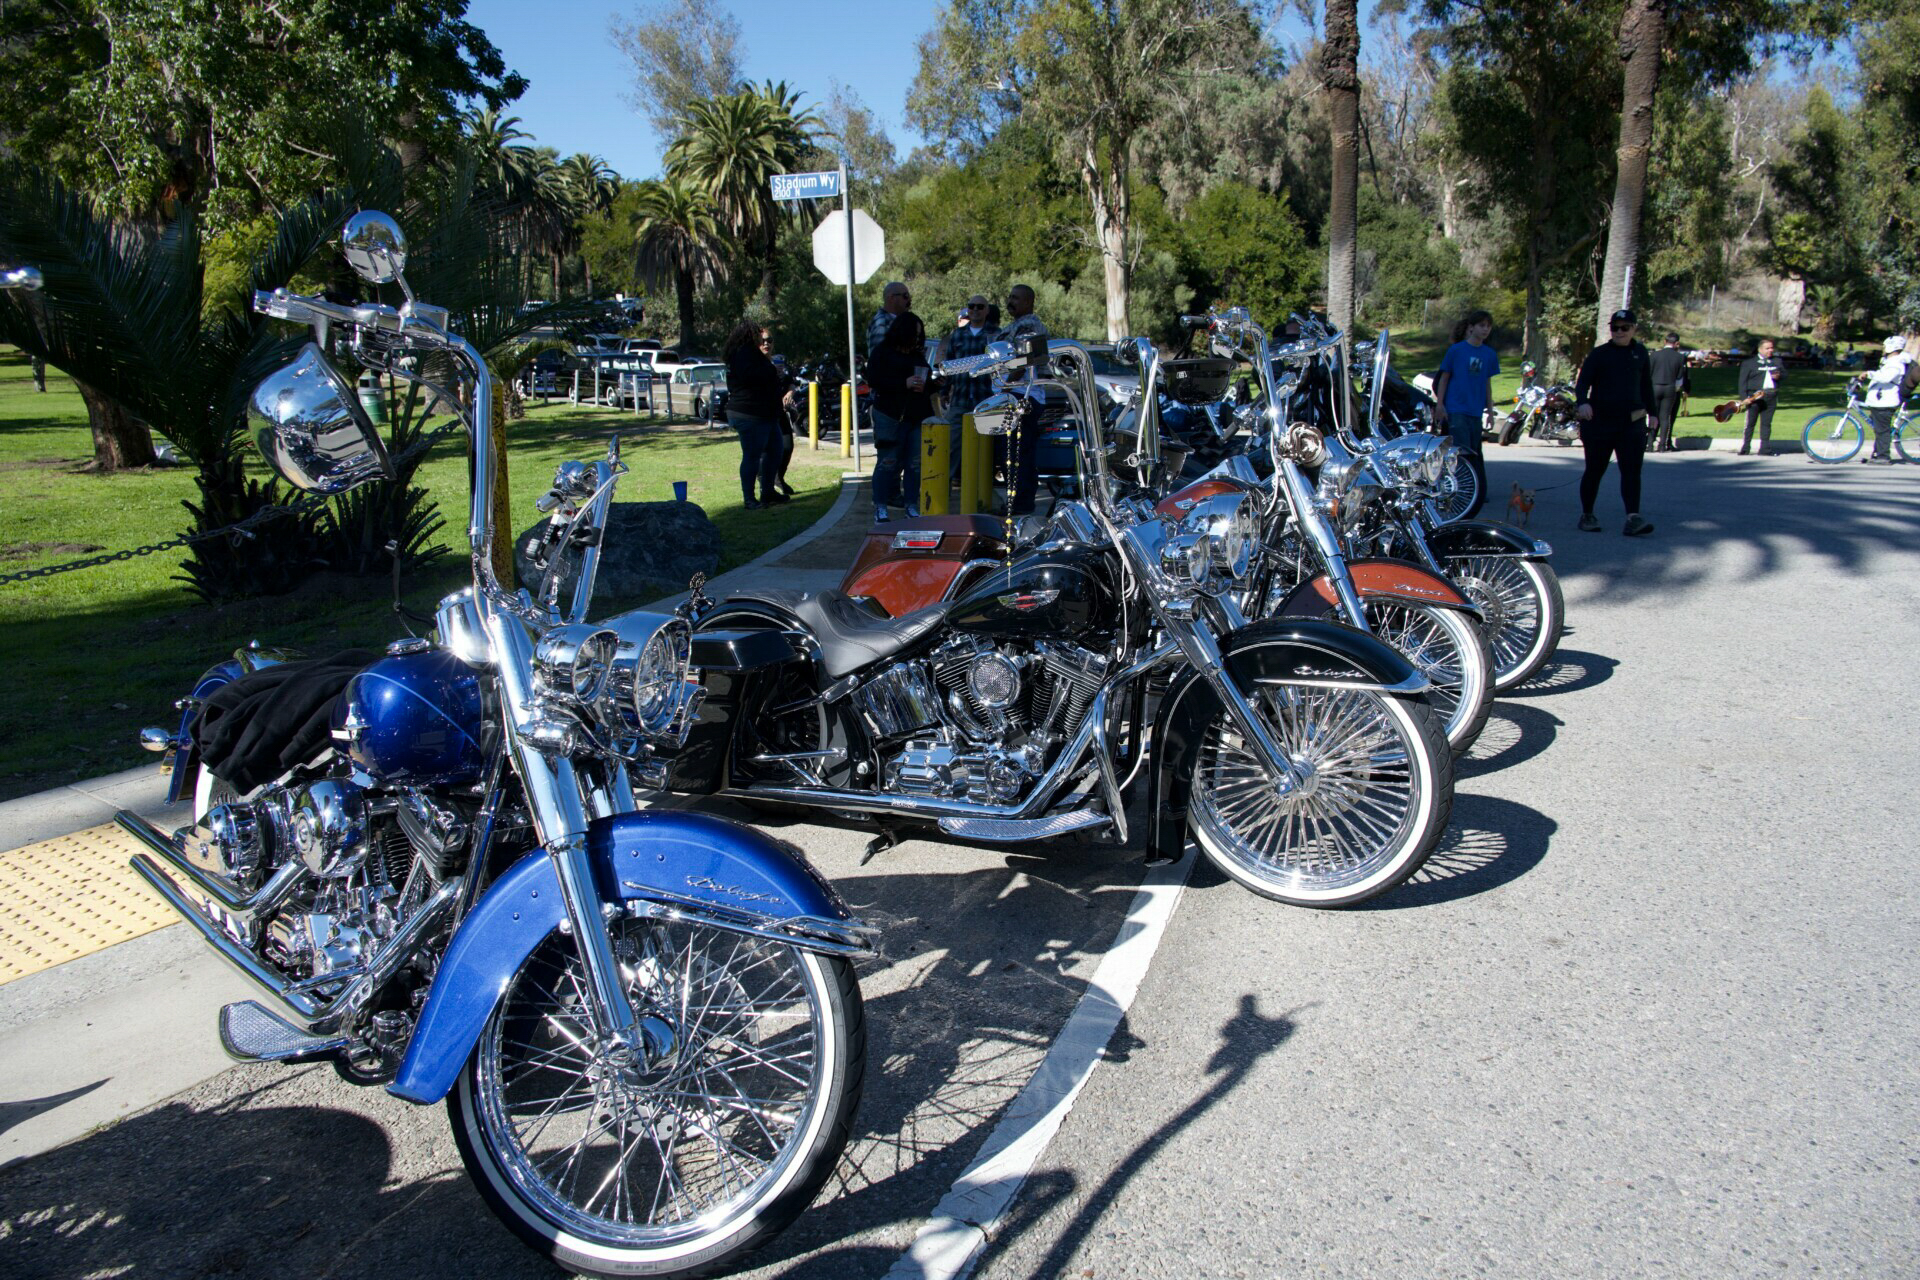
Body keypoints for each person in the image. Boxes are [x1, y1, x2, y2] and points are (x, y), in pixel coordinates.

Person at [1572, 308, 1657, 536]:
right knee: (1594, 470)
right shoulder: (1599, 354)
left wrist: (1654, 412)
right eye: (1615, 328)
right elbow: (1582, 384)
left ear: (1633, 329)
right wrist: (1582, 403)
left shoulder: (1640, 353)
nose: (1619, 332)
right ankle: (1587, 514)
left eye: (1624, 328)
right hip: (1600, 423)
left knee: (1631, 471)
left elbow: (1646, 385)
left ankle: (1633, 518)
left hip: (1631, 424)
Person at [722, 320, 797, 509]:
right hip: (750, 414)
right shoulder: (744, 354)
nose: (762, 340)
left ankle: (768, 492)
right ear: (750, 335)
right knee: (752, 456)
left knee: (775, 450)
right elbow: (751, 377)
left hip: (765, 414)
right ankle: (749, 498)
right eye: (758, 335)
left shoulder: (747, 353)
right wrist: (772, 370)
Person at [867, 310, 933, 523]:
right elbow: (874, 380)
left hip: (917, 415)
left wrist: (934, 384)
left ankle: (911, 505)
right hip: (890, 416)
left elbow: (924, 384)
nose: (916, 338)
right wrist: (902, 384)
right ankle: (880, 506)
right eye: (913, 334)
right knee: (888, 461)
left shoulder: (917, 355)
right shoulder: (882, 352)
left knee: (915, 463)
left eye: (919, 334)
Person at [1431, 309, 1498, 517]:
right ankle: (1461, 491)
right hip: (1456, 407)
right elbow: (1444, 378)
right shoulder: (1457, 351)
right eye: (1481, 325)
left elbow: (1487, 382)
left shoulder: (1489, 354)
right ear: (1471, 328)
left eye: (1488, 326)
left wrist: (1490, 409)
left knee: (1475, 450)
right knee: (1461, 452)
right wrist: (1440, 404)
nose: (1485, 329)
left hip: (1475, 410)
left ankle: (1476, 489)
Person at [935, 294, 999, 486]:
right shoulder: (957, 335)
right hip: (960, 398)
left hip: (985, 397)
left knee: (986, 446)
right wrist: (945, 390)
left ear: (987, 310)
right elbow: (949, 366)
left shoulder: (995, 335)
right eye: (972, 306)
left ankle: (982, 488)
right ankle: (943, 485)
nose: (975, 310)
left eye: (980, 307)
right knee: (952, 443)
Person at [1000, 284, 1051, 515]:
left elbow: (1026, 358)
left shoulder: (1029, 326)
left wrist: (1007, 383)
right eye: (1010, 296)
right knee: (1016, 453)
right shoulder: (1017, 325)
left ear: (1029, 302)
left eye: (1016, 298)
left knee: (1017, 454)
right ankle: (1019, 502)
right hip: (1018, 395)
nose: (1011, 301)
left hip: (1022, 396)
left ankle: (1019, 505)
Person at [1862, 334, 1918, 464]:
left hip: (1886, 400)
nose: (1883, 348)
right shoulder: (1891, 361)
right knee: (1879, 428)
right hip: (1881, 399)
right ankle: (1876, 454)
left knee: (1882, 429)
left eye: (1885, 346)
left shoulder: (1896, 363)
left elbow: (1886, 377)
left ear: (1892, 348)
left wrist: (1868, 374)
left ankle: (1883, 457)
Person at [1736, 338, 1784, 456]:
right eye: (1767, 348)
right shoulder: (1749, 363)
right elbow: (1742, 382)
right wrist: (1744, 398)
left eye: (1772, 348)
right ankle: (1745, 448)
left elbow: (1785, 374)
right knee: (1750, 423)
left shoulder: (1777, 361)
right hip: (1755, 396)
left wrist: (1779, 376)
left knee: (1766, 423)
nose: (1770, 350)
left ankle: (1765, 449)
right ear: (1760, 349)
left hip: (1771, 395)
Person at [1648, 331, 1689, 452]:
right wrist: (1675, 388)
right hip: (1670, 388)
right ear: (1676, 343)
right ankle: (1662, 446)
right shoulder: (1680, 357)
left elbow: (1648, 374)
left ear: (1665, 342)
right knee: (1665, 417)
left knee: (1653, 415)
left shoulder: (1654, 355)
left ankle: (1649, 444)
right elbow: (1680, 377)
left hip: (1655, 387)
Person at [867, 280, 911, 354]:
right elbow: (880, 359)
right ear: (891, 298)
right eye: (905, 296)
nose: (909, 300)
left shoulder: (894, 321)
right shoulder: (882, 323)